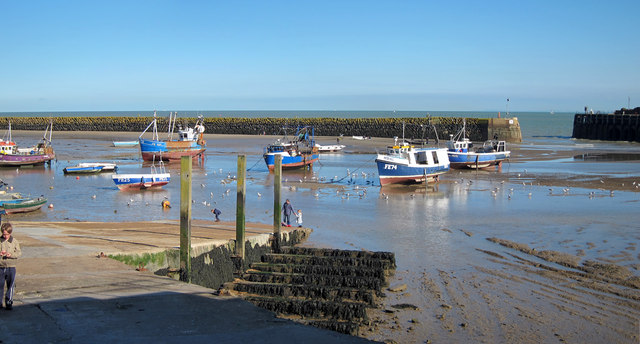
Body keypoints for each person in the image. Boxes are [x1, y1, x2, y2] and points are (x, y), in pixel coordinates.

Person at [1, 222, 21, 310]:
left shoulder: (14, 241)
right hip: (1, 267)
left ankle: (9, 302)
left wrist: (11, 254)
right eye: (4, 234)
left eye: (7, 234)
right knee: (0, 285)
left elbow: (19, 253)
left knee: (11, 286)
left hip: (11, 266)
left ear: (10, 233)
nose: (5, 236)